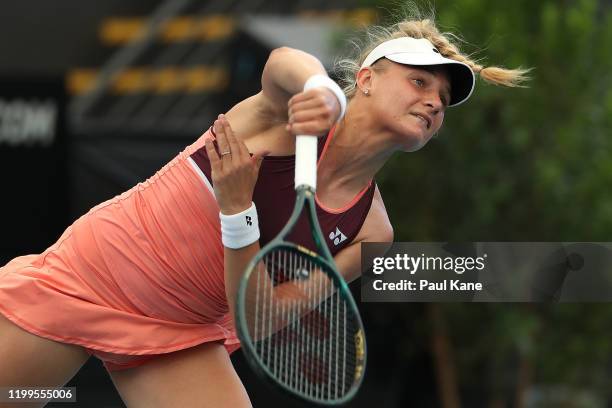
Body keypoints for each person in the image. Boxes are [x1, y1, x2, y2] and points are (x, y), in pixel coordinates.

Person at [0, 12, 528, 408]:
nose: (435, 102)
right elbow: (282, 66)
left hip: (180, 335)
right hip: (96, 272)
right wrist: (320, 89)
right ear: (366, 78)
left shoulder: (372, 232)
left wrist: (238, 212)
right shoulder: (285, 113)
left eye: (442, 98)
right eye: (419, 82)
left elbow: (262, 318)